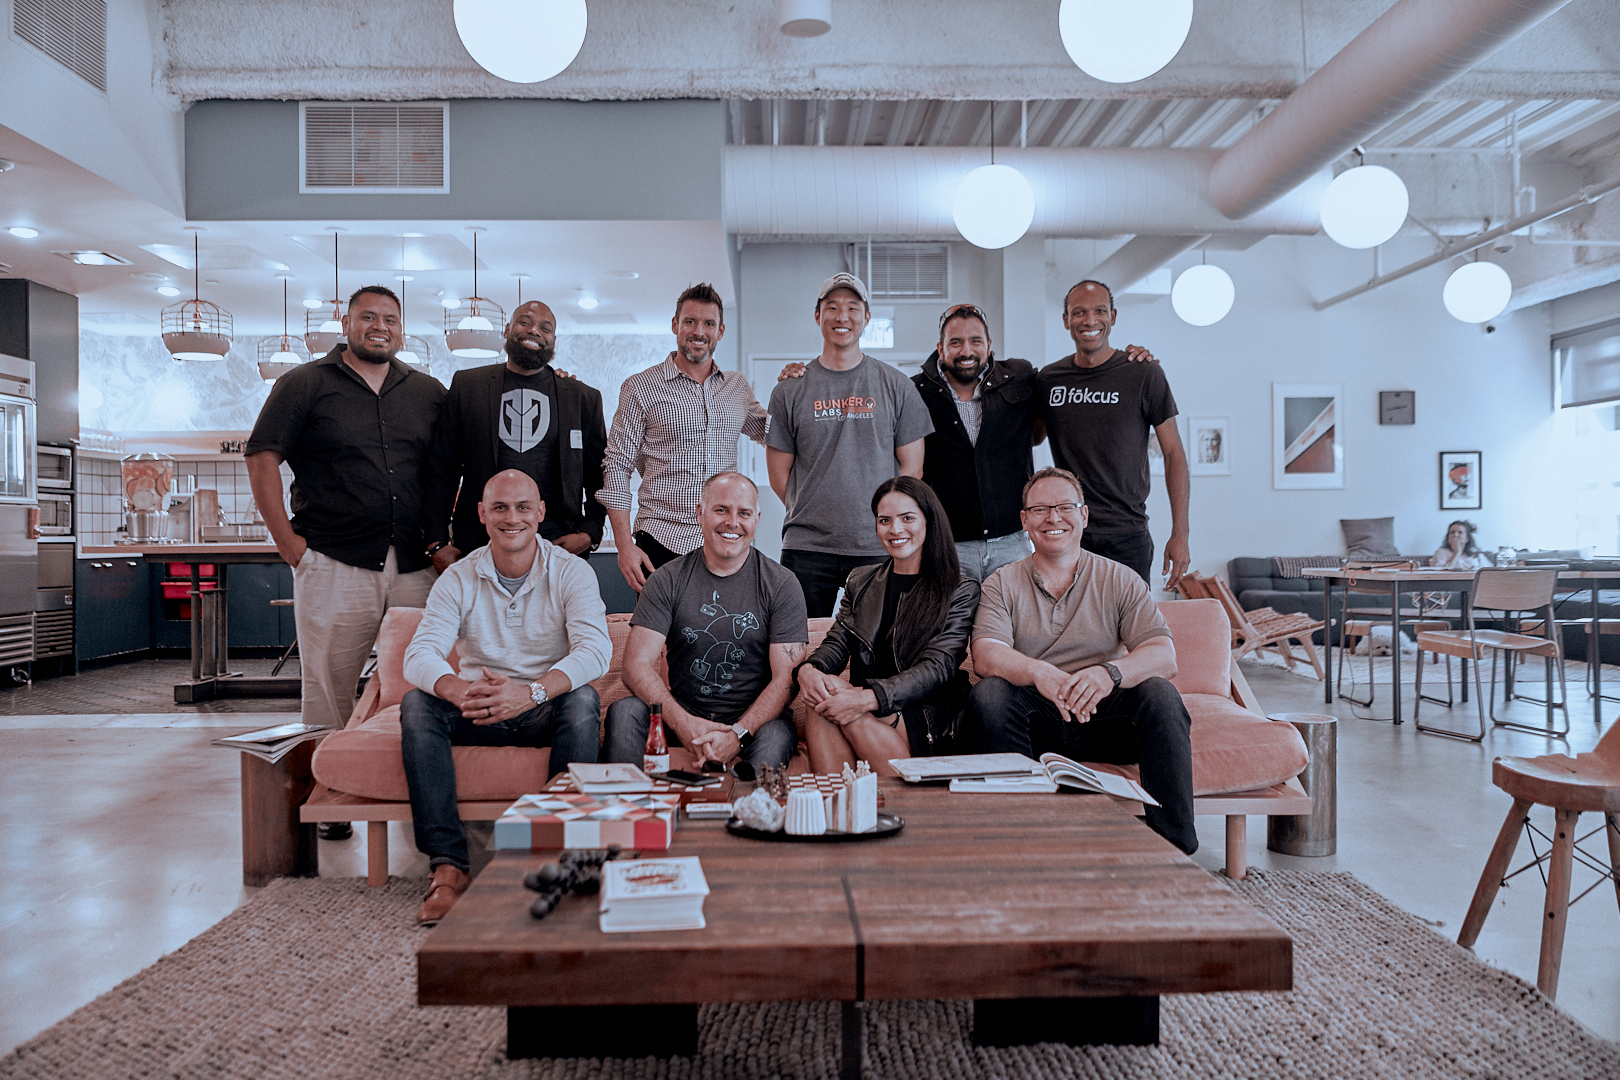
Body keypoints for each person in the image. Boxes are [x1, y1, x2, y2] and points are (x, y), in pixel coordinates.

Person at [245, 284, 446, 841]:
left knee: (420, 682)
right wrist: (290, 546)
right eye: (367, 317)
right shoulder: (304, 384)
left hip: (414, 565)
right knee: (329, 687)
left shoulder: (427, 392)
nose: (379, 326)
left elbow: (447, 468)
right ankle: (328, 798)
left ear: (402, 328)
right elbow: (262, 458)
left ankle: (409, 785)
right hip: (333, 560)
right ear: (346, 322)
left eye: (389, 319)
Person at [400, 469, 610, 924]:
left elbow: (596, 651)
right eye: (499, 507)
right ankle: (448, 868)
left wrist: (530, 693)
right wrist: (457, 689)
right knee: (417, 705)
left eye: (521, 507)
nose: (511, 517)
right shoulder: (457, 577)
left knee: (583, 701)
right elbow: (420, 653)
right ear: (481, 513)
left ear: (540, 513)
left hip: (542, 709)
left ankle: (557, 858)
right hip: (479, 707)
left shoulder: (571, 572)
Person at [963, 467, 1197, 855]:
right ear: (1024, 521)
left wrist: (1109, 674)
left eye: (1065, 507)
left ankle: (1173, 850)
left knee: (1160, 694)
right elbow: (986, 654)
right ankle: (1019, 845)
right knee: (988, 695)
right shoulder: (1001, 583)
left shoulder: (1121, 580)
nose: (1053, 518)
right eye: (1040, 509)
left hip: (1105, 721)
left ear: (1084, 515)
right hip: (1036, 724)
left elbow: (1163, 655)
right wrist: (1040, 673)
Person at [604, 472, 807, 777]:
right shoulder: (666, 580)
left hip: (755, 724)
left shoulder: (781, 584)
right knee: (625, 711)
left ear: (757, 519)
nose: (732, 522)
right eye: (721, 510)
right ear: (700, 513)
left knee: (777, 734)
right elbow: (635, 666)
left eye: (744, 513)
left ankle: (750, 818)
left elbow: (786, 680)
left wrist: (737, 734)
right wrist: (684, 724)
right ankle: (630, 816)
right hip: (681, 713)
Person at [766, 272, 934, 616]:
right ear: (818, 316)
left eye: (853, 308)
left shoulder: (897, 386)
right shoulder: (789, 390)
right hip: (807, 547)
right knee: (801, 647)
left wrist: (884, 522)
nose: (842, 317)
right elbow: (778, 475)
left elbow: (912, 470)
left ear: (866, 317)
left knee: (877, 652)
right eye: (832, 307)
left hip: (877, 545)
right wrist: (816, 510)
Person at [798, 476, 980, 775]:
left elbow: (939, 667)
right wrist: (808, 670)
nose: (895, 529)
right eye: (885, 520)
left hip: (927, 712)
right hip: (866, 701)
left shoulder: (959, 588)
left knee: (838, 706)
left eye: (907, 518)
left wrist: (867, 699)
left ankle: (889, 805)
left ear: (929, 521)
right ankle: (842, 807)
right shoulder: (861, 581)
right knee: (820, 695)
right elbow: (836, 643)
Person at [597, 283, 771, 591]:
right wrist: (624, 546)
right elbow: (616, 465)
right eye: (690, 321)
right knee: (660, 638)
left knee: (725, 635)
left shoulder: (736, 387)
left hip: (723, 540)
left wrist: (796, 388)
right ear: (676, 324)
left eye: (708, 324)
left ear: (720, 331)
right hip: (661, 540)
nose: (698, 331)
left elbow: (773, 432)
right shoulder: (641, 387)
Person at [423, 300, 607, 573]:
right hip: (477, 546)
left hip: (557, 547)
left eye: (545, 328)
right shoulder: (467, 386)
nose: (534, 330)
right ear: (508, 329)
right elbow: (442, 469)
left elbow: (599, 476)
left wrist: (590, 534)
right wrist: (436, 541)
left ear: (553, 341)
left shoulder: (582, 399)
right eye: (525, 322)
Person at [1036, 279, 1190, 589]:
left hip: (1127, 535)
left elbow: (1173, 454)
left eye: (1099, 311)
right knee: (1069, 633)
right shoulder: (1049, 380)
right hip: (1069, 533)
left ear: (1113, 316)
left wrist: (1180, 534)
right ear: (1066, 320)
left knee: (1131, 634)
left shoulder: (1143, 373)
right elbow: (1029, 437)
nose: (1089, 320)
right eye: (1078, 312)